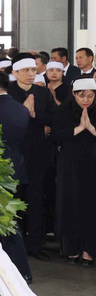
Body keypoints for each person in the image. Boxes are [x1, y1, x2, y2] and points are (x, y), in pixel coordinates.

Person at [0, 70, 34, 283]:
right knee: (8, 221)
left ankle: (21, 270)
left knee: (5, 223)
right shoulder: (21, 110)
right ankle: (8, 268)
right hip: (16, 169)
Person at [9, 53, 56, 261]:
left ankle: (35, 245)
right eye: (26, 70)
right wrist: (22, 112)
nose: (30, 74)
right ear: (15, 73)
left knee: (36, 199)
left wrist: (35, 115)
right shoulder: (7, 94)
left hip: (37, 154)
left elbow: (55, 118)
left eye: (33, 70)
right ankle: (13, 244)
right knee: (15, 200)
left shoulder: (42, 94)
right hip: (15, 154)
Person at [52, 77, 96, 266]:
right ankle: (70, 250)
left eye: (90, 96)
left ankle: (89, 251)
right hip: (69, 166)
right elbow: (54, 136)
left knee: (91, 207)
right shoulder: (63, 111)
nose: (86, 100)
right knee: (70, 205)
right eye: (81, 96)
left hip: (93, 165)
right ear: (73, 94)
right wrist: (77, 129)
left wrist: (92, 129)